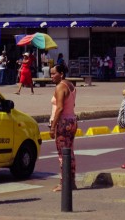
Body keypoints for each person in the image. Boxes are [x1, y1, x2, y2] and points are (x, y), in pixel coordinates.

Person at [49, 62, 78, 192]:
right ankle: (71, 181)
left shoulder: (60, 87)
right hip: (72, 120)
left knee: (62, 154)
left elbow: (60, 108)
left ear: (61, 74)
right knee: (69, 152)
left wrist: (53, 126)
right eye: (51, 74)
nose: (51, 77)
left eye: (54, 74)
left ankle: (64, 182)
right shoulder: (71, 85)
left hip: (63, 122)